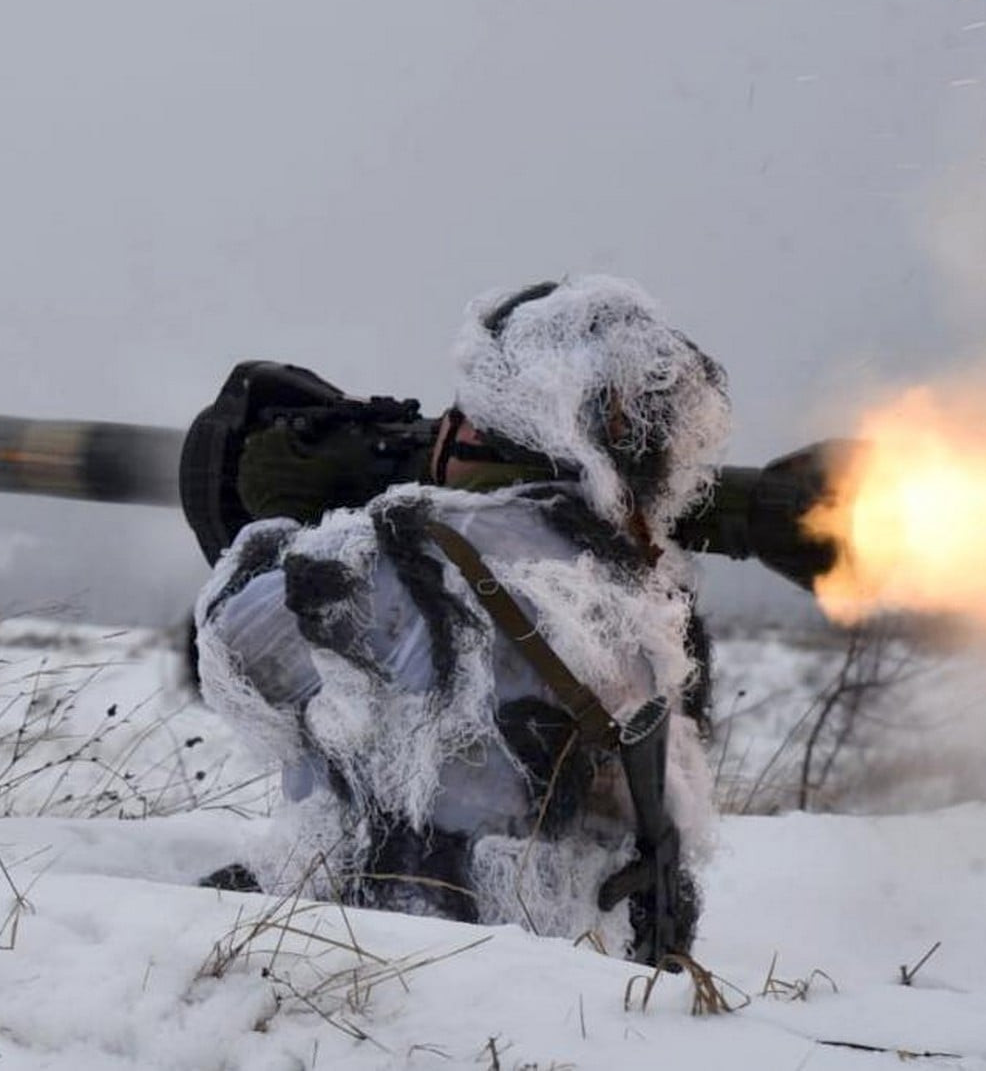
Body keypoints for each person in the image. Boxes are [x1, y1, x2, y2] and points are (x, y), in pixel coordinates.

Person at [192, 275, 725, 963]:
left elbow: (239, 653)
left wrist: (283, 532)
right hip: (587, 967)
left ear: (489, 420)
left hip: (414, 961)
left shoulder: (406, 556)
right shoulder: (640, 583)